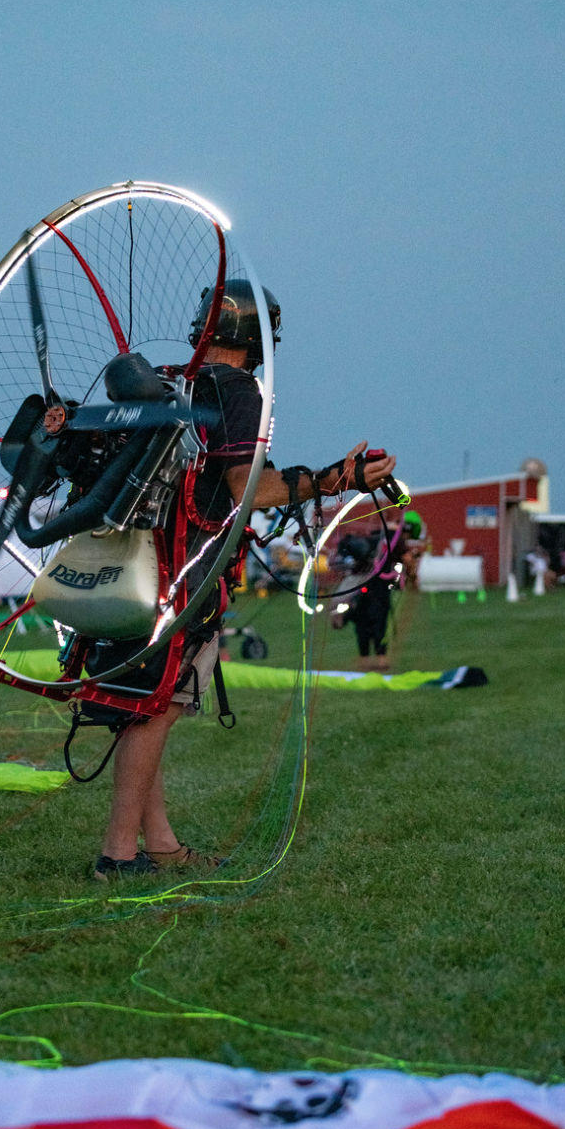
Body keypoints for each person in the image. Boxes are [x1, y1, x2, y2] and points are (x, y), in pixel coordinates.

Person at [94, 281, 397, 881]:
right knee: (156, 710)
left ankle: (160, 844)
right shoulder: (237, 391)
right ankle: (118, 854)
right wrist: (336, 479)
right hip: (186, 572)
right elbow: (249, 489)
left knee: (146, 708)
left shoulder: (171, 382)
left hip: (132, 565)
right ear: (260, 338)